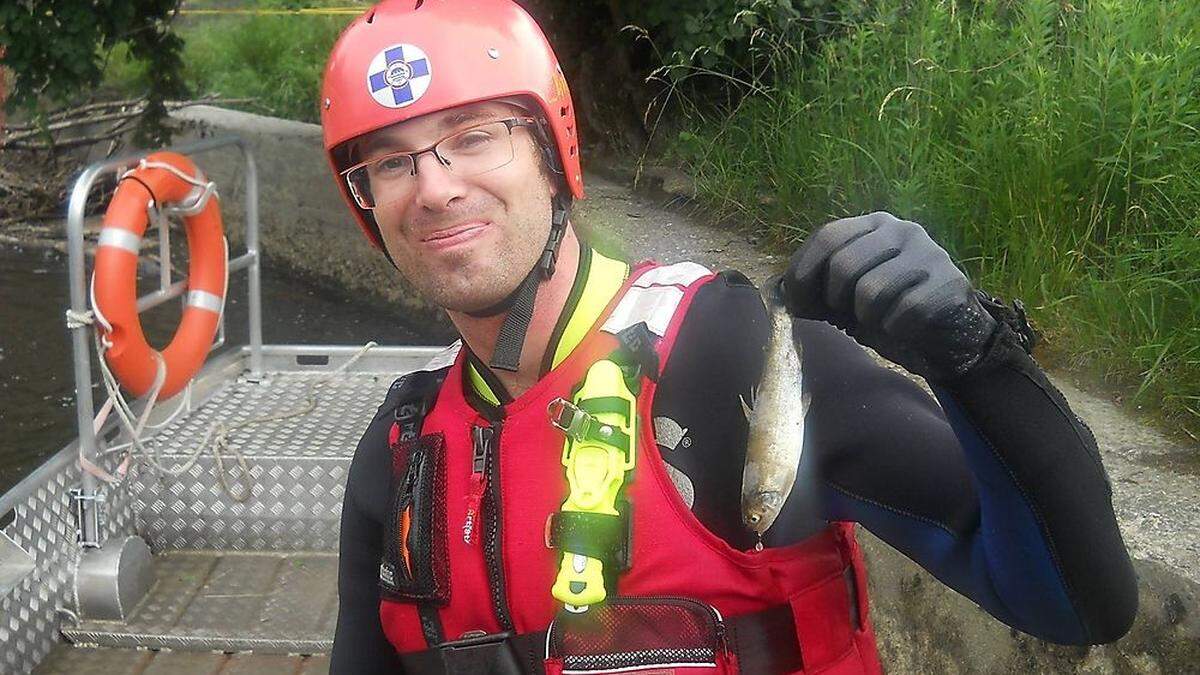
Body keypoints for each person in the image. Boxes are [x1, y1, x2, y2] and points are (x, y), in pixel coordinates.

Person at [321, 1, 1137, 672]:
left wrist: (975, 355)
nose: (434, 187)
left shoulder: (734, 350)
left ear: (552, 151)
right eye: (390, 164)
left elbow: (1076, 600)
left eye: (474, 135)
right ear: (367, 207)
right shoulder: (400, 450)